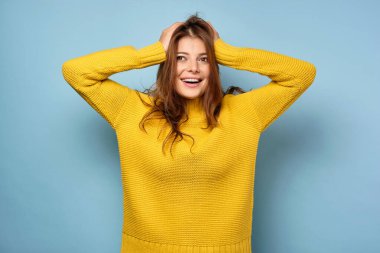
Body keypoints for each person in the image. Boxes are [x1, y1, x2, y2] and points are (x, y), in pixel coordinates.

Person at [62, 15, 316, 253]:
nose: (192, 68)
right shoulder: (131, 111)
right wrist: (153, 52)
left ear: (214, 65)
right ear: (167, 64)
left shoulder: (245, 113)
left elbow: (301, 74)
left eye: (204, 59)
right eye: (180, 58)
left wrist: (228, 52)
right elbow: (76, 72)